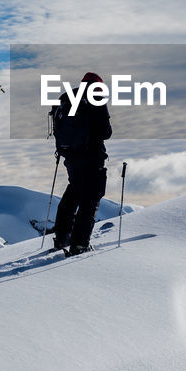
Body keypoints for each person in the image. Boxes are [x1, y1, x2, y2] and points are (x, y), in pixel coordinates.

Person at [49, 72, 112, 255]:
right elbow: (106, 132)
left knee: (74, 192)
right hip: (92, 157)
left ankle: (61, 237)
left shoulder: (67, 98)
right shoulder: (96, 99)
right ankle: (79, 244)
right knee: (90, 199)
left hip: (70, 156)